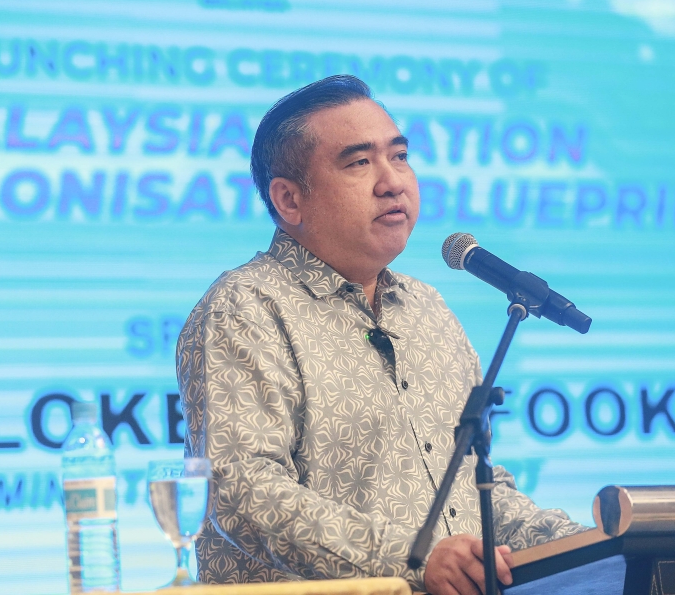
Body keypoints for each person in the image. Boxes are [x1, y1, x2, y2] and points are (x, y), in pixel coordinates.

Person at [175, 75, 586, 594]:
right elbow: (244, 496)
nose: (392, 181)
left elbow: (473, 491)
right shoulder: (246, 308)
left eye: (400, 155)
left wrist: (594, 542)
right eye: (358, 162)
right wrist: (413, 559)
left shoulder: (427, 309)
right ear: (289, 200)